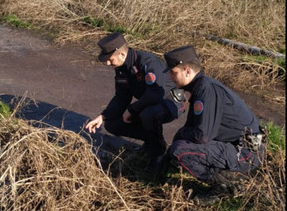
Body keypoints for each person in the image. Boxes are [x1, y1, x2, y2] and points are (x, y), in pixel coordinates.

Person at [163, 45, 265, 195]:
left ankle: (223, 188)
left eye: (173, 73)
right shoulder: (200, 86)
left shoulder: (206, 90)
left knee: (180, 151)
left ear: (187, 71)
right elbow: (192, 128)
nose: (170, 77)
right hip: (238, 146)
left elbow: (202, 136)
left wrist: (175, 147)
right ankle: (225, 176)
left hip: (247, 153)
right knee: (179, 144)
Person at [85, 32, 185, 171]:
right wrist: (103, 116)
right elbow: (121, 97)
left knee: (148, 114)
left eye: (110, 59)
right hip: (147, 105)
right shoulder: (121, 69)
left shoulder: (147, 62)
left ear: (121, 54)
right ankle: (151, 141)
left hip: (170, 103)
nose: (108, 63)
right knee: (112, 124)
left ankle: (158, 152)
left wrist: (132, 109)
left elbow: (155, 94)